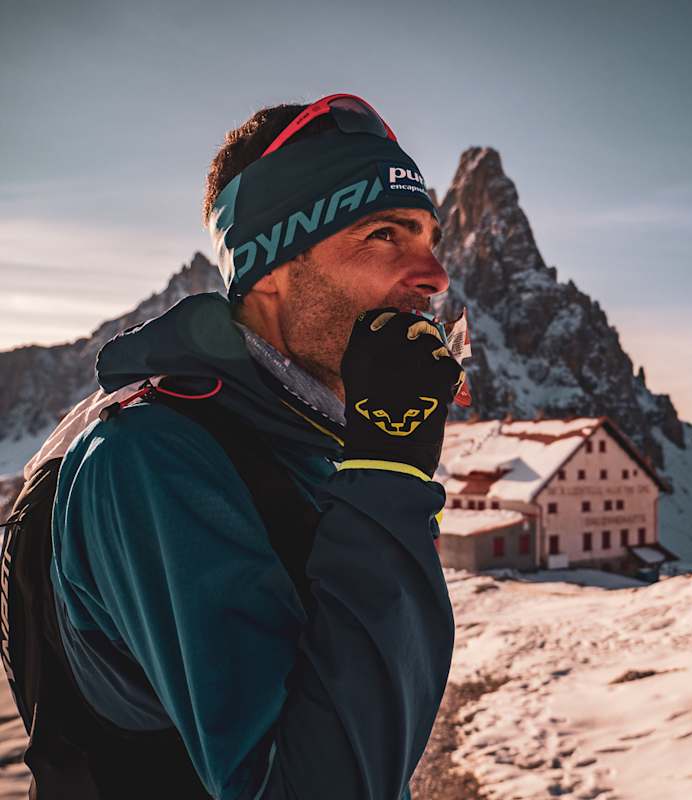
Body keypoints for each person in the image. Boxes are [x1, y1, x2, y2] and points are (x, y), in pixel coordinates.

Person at [22, 94, 465, 798]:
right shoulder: (150, 458)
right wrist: (389, 471)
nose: (435, 274)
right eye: (385, 233)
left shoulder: (298, 433)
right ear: (270, 265)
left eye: (427, 237)